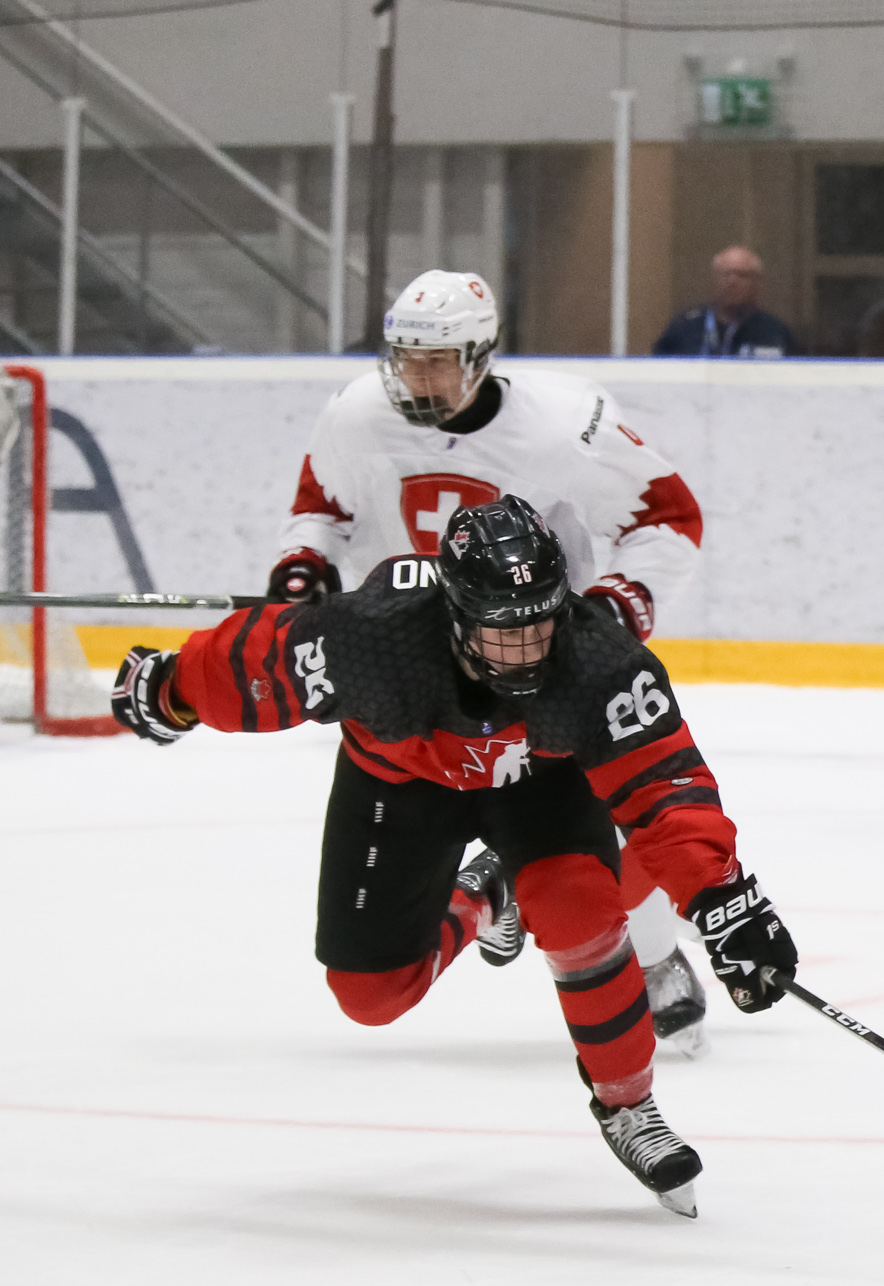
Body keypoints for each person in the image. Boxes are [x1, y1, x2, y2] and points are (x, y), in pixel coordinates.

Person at [111, 498, 799, 1215]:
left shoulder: (600, 661)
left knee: (579, 914)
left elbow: (667, 788)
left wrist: (726, 901)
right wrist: (172, 689)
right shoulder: (373, 637)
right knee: (371, 996)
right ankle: (485, 897)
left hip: (539, 782)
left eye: (542, 621)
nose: (530, 646)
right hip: (402, 779)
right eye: (507, 632)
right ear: (458, 617)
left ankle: (627, 1103)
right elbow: (258, 663)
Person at [268, 269, 714, 1057]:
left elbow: (668, 518)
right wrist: (302, 567)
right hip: (414, 675)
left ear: (481, 355)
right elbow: (321, 509)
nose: (420, 377)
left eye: (439, 360)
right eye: (407, 358)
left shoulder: (565, 425)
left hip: (538, 666)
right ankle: (490, 892)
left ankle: (648, 957)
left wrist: (611, 611)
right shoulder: (356, 414)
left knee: (614, 818)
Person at [651, 246, 798, 358]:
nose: (732, 282)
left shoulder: (774, 332)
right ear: (714, 280)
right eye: (726, 274)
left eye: (742, 275)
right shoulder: (685, 326)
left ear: (757, 283)